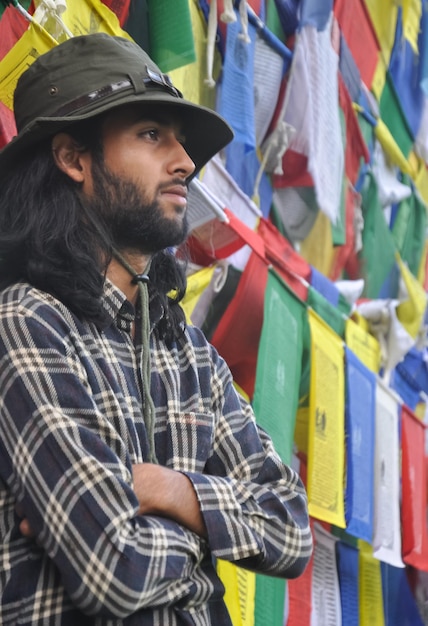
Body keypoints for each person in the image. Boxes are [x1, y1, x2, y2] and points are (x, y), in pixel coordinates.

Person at [0, 33, 312, 625]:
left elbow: (291, 527)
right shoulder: (27, 322)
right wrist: (208, 544)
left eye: (181, 142)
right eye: (151, 135)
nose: (186, 163)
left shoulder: (187, 352)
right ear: (73, 158)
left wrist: (172, 491)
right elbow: (110, 567)